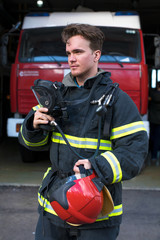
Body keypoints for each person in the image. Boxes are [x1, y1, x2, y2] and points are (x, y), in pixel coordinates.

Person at [18, 24, 148, 240]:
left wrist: (96, 167)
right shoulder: (55, 96)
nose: (71, 58)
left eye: (78, 52)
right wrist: (33, 126)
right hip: (53, 210)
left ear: (96, 55)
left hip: (96, 214)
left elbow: (135, 152)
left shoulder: (117, 101)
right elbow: (31, 144)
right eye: (69, 53)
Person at [148, 81, 160, 162]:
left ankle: (152, 155)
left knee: (152, 137)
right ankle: (155, 156)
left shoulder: (152, 94)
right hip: (159, 121)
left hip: (152, 119)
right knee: (158, 138)